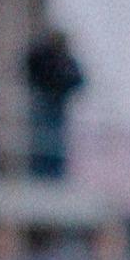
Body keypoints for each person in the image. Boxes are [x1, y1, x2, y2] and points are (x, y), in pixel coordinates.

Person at [20, 29, 84, 181]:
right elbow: (28, 69)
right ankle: (40, 171)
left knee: (52, 141)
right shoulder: (42, 56)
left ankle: (50, 173)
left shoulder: (65, 61)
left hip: (56, 106)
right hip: (43, 104)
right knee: (42, 139)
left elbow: (77, 80)